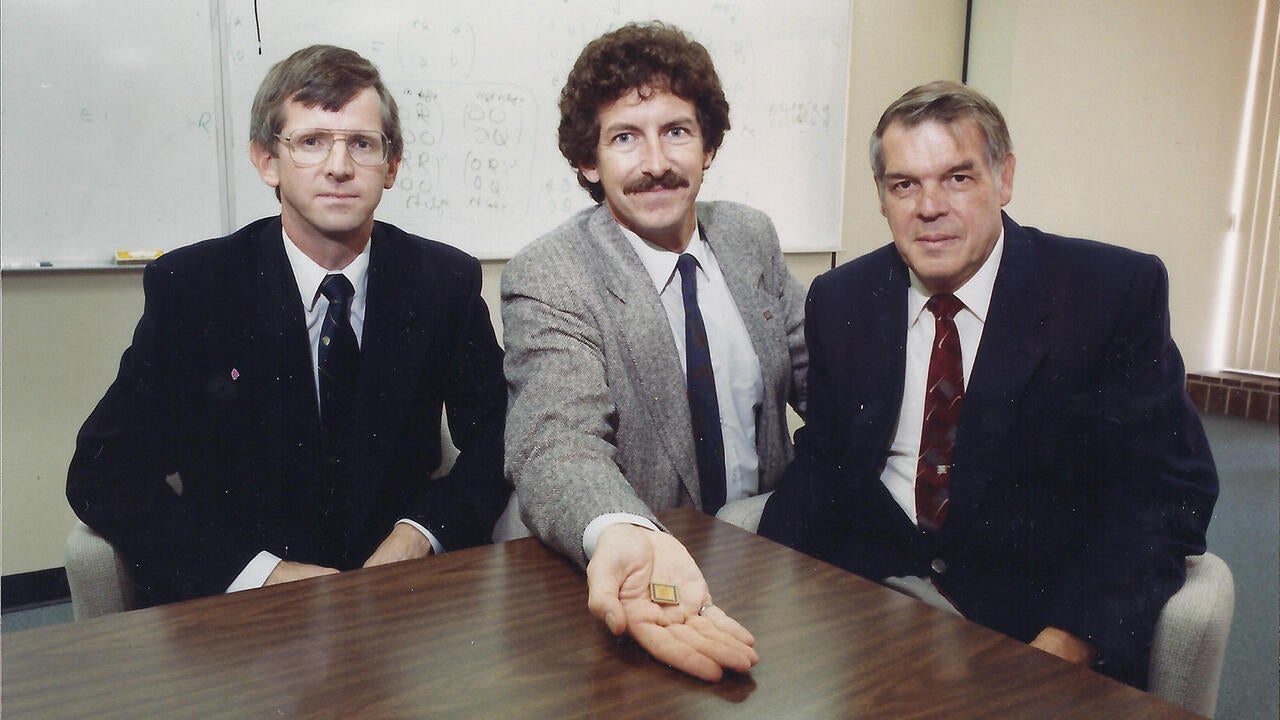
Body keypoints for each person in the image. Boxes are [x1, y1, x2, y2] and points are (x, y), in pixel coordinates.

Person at [759, 80, 1218, 688]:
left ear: (1004, 179)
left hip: (1028, 623)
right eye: (904, 184)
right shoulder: (842, 297)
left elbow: (1165, 494)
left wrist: (1067, 642)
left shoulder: (1108, 293)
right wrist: (752, 590)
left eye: (958, 178)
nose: (929, 207)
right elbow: (823, 463)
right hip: (866, 610)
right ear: (881, 196)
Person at [67, 45, 509, 607]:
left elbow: (500, 436)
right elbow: (101, 473)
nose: (340, 166)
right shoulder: (195, 288)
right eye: (311, 142)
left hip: (398, 599)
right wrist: (260, 573)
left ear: (391, 166)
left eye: (362, 144)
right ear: (267, 161)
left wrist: (420, 534)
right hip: (242, 611)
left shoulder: (442, 281)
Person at [501, 22, 807, 681]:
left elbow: (824, 380)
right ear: (589, 161)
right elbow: (556, 443)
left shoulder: (749, 236)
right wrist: (622, 532)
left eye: (676, 131)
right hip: (646, 577)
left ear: (708, 145)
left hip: (767, 561)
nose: (656, 162)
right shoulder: (551, 274)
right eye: (623, 138)